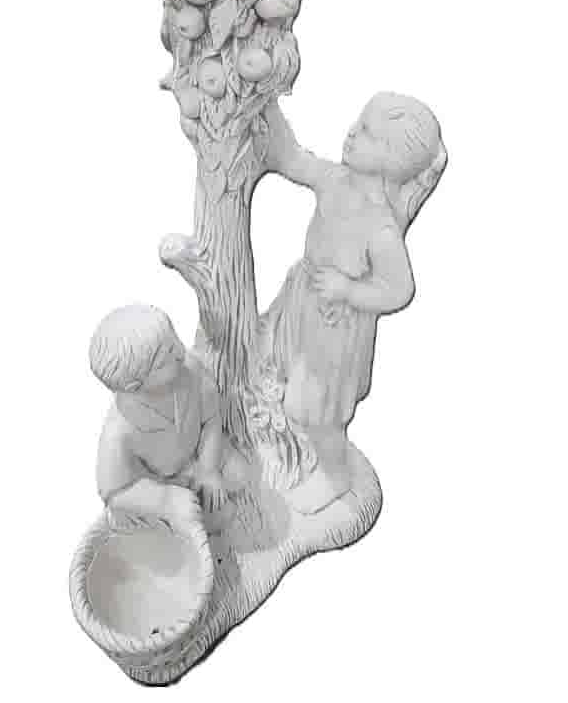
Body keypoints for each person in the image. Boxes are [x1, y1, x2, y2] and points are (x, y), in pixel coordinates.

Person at [264, 93, 447, 439]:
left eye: (367, 133)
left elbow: (400, 290)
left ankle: (311, 451)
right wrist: (268, 105)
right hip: (303, 295)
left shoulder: (381, 228)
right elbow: (294, 160)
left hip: (335, 321)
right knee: (276, 362)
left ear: (392, 159)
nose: (351, 132)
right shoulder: (333, 178)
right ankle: (275, 429)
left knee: (309, 401)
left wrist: (349, 290)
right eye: (358, 123)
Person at [90, 304, 228, 520]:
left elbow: (211, 419)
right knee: (191, 513)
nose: (181, 352)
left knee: (239, 477)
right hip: (158, 481)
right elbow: (114, 492)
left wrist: (209, 469)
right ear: (135, 386)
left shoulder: (191, 372)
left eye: (175, 341)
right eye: (167, 358)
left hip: (196, 461)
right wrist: (165, 500)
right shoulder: (119, 433)